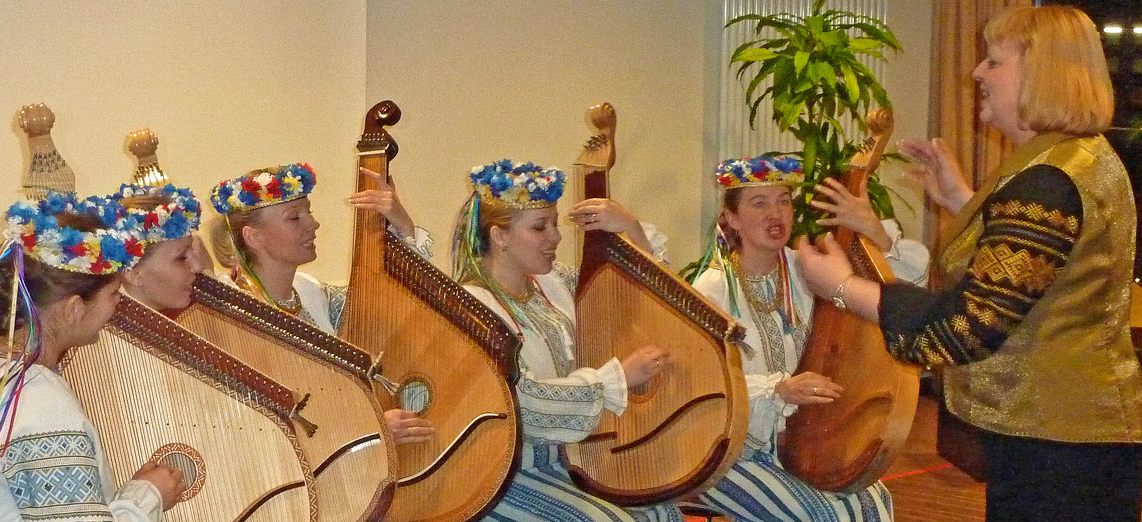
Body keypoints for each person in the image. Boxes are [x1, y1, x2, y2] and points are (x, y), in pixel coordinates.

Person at [794, 6, 1142, 521]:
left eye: (994, 62)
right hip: (1068, 436)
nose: (977, 73)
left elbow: (967, 327)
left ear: (1041, 74)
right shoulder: (1071, 158)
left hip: (1057, 447)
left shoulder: (1049, 180)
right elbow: (1043, 263)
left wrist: (842, 286)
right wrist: (963, 200)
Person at [684, 156, 927, 521]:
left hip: (807, 440)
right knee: (826, 516)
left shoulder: (809, 268)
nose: (775, 213)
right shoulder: (713, 288)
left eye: (783, 200)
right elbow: (699, 387)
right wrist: (778, 390)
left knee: (874, 502)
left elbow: (897, 295)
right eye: (759, 203)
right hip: (729, 451)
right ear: (731, 218)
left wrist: (876, 232)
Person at [451, 159, 681, 522]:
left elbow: (633, 292)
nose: (555, 237)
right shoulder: (474, 307)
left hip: (571, 463)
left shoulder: (552, 285)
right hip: (500, 478)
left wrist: (630, 228)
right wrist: (616, 379)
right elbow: (517, 403)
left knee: (661, 513)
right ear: (500, 236)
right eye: (540, 227)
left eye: (555, 224)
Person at [0, 193, 183, 521]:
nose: (117, 305)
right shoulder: (40, 404)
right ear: (73, 309)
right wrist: (146, 495)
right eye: (112, 294)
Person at [207, 163, 434, 444]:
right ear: (253, 237)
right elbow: (260, 424)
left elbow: (391, 300)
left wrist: (402, 226)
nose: (313, 224)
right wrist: (369, 430)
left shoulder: (312, 293)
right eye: (295, 218)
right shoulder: (228, 308)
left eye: (309, 212)